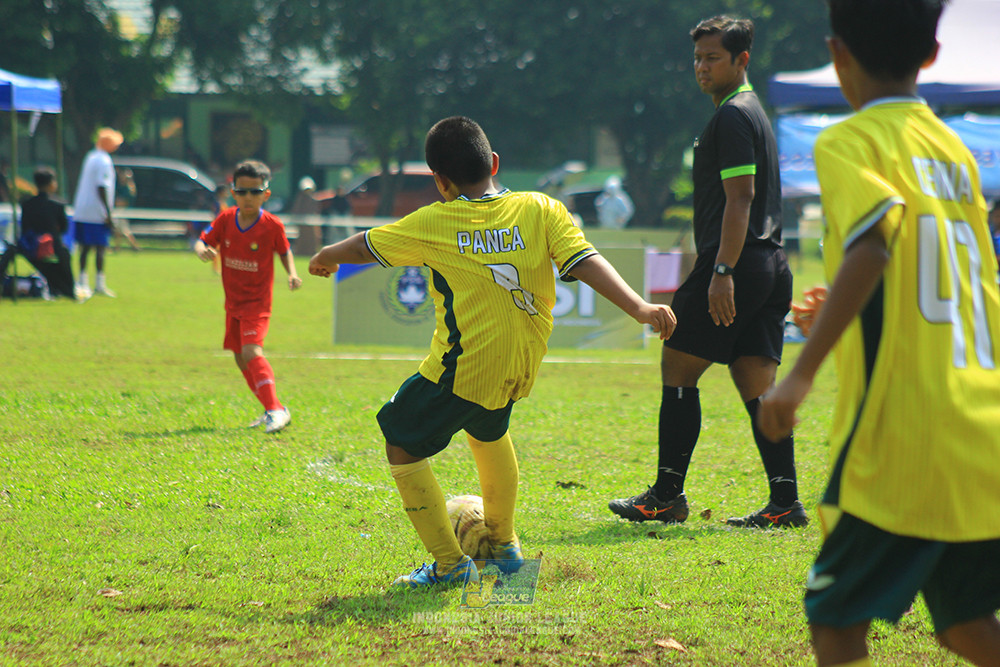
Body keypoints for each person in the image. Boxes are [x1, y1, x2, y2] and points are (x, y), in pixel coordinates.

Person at [308, 116, 676, 589]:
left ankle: (449, 564)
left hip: (463, 368)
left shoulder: (435, 221)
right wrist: (640, 306)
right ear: (494, 163)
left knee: (399, 440)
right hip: (519, 364)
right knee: (487, 429)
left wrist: (327, 255)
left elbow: (366, 244)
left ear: (440, 182)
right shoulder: (542, 208)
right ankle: (504, 547)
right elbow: (585, 259)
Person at [758, 1, 1000, 665]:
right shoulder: (957, 150)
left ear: (837, 56)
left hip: (906, 433)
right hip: (981, 422)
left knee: (836, 621)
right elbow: (954, 278)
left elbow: (875, 242)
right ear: (932, 55)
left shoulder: (848, 141)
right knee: (965, 624)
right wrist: (836, 312)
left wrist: (801, 373)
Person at [608, 15, 805, 529]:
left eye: (712, 58)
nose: (701, 67)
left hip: (737, 263)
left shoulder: (733, 116)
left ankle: (668, 496)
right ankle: (785, 502)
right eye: (697, 58)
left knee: (677, 365)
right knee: (755, 382)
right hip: (771, 263)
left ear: (741, 60)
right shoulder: (754, 112)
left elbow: (741, 199)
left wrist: (721, 270)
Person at [194, 160, 303, 434]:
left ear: (266, 194)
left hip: (257, 303)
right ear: (233, 192)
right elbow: (203, 240)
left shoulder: (272, 225)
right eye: (242, 192)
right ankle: (272, 408)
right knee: (239, 357)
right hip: (233, 303)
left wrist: (292, 273)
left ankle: (276, 411)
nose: (248, 197)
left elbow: (284, 250)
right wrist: (201, 250)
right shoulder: (226, 219)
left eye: (254, 192)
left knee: (251, 352)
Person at [12, 166, 77, 299]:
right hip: (51, 246)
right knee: (63, 255)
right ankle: (68, 289)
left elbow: (24, 228)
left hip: (30, 245)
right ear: (51, 184)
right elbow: (63, 228)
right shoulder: (58, 205)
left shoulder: (27, 203)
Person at [73, 127, 123, 298]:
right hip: (96, 212)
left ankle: (82, 280)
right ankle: (99, 284)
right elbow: (102, 187)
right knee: (101, 247)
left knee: (84, 248)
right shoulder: (104, 161)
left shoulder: (90, 156)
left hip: (82, 208)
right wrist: (108, 213)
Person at [112, 167, 140, 252]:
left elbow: (123, 202)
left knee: (125, 230)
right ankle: (117, 248)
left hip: (123, 211)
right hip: (120, 211)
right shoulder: (123, 186)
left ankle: (135, 246)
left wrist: (116, 202)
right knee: (118, 230)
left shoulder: (129, 187)